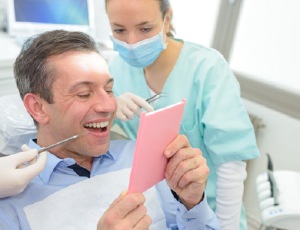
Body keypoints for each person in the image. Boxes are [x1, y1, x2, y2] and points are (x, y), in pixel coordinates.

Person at [0, 30, 220, 230]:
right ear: (38, 108)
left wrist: (192, 203)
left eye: (109, 89)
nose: (108, 106)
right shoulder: (11, 202)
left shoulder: (139, 155)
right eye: (84, 94)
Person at [105, 0, 261, 229]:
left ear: (167, 20)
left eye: (145, 29)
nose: (132, 42)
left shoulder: (207, 68)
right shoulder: (117, 69)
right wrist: (111, 110)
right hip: (157, 208)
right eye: (119, 30)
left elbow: (231, 165)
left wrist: (226, 226)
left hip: (210, 208)